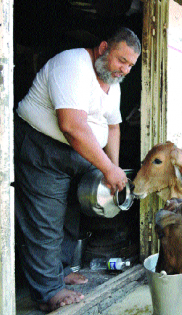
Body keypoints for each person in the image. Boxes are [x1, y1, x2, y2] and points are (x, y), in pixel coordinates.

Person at [14, 27, 141, 312]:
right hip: (41, 149)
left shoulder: (113, 84)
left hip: (76, 156)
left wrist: (115, 167)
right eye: (121, 60)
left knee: (70, 216)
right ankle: (48, 292)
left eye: (130, 65)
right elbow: (71, 125)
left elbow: (113, 125)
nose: (125, 69)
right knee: (44, 221)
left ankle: (59, 271)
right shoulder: (72, 65)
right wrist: (107, 169)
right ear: (104, 47)